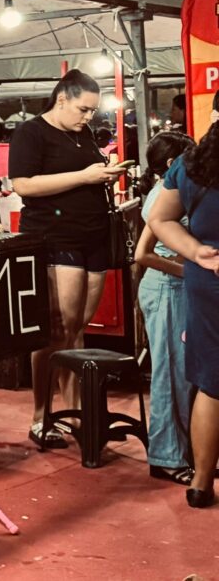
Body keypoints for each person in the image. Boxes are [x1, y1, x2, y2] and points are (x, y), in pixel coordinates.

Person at [8, 70, 127, 449]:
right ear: (62, 99)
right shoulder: (31, 132)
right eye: (83, 109)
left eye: (93, 111)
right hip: (54, 237)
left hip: (93, 236)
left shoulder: (84, 134)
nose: (88, 117)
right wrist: (83, 177)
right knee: (56, 330)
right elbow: (23, 184)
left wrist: (103, 176)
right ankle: (41, 416)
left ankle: (76, 414)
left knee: (77, 330)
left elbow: (85, 176)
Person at [148, 113, 219, 508]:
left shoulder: (191, 163)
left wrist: (197, 252)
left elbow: (160, 218)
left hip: (207, 280)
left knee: (212, 382)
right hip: (206, 277)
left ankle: (201, 482)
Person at [135, 131, 196, 486]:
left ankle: (187, 451)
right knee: (170, 374)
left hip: (178, 289)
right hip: (166, 288)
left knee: (186, 374)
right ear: (173, 164)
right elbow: (142, 255)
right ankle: (167, 457)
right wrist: (190, 269)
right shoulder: (162, 196)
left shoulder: (175, 190)